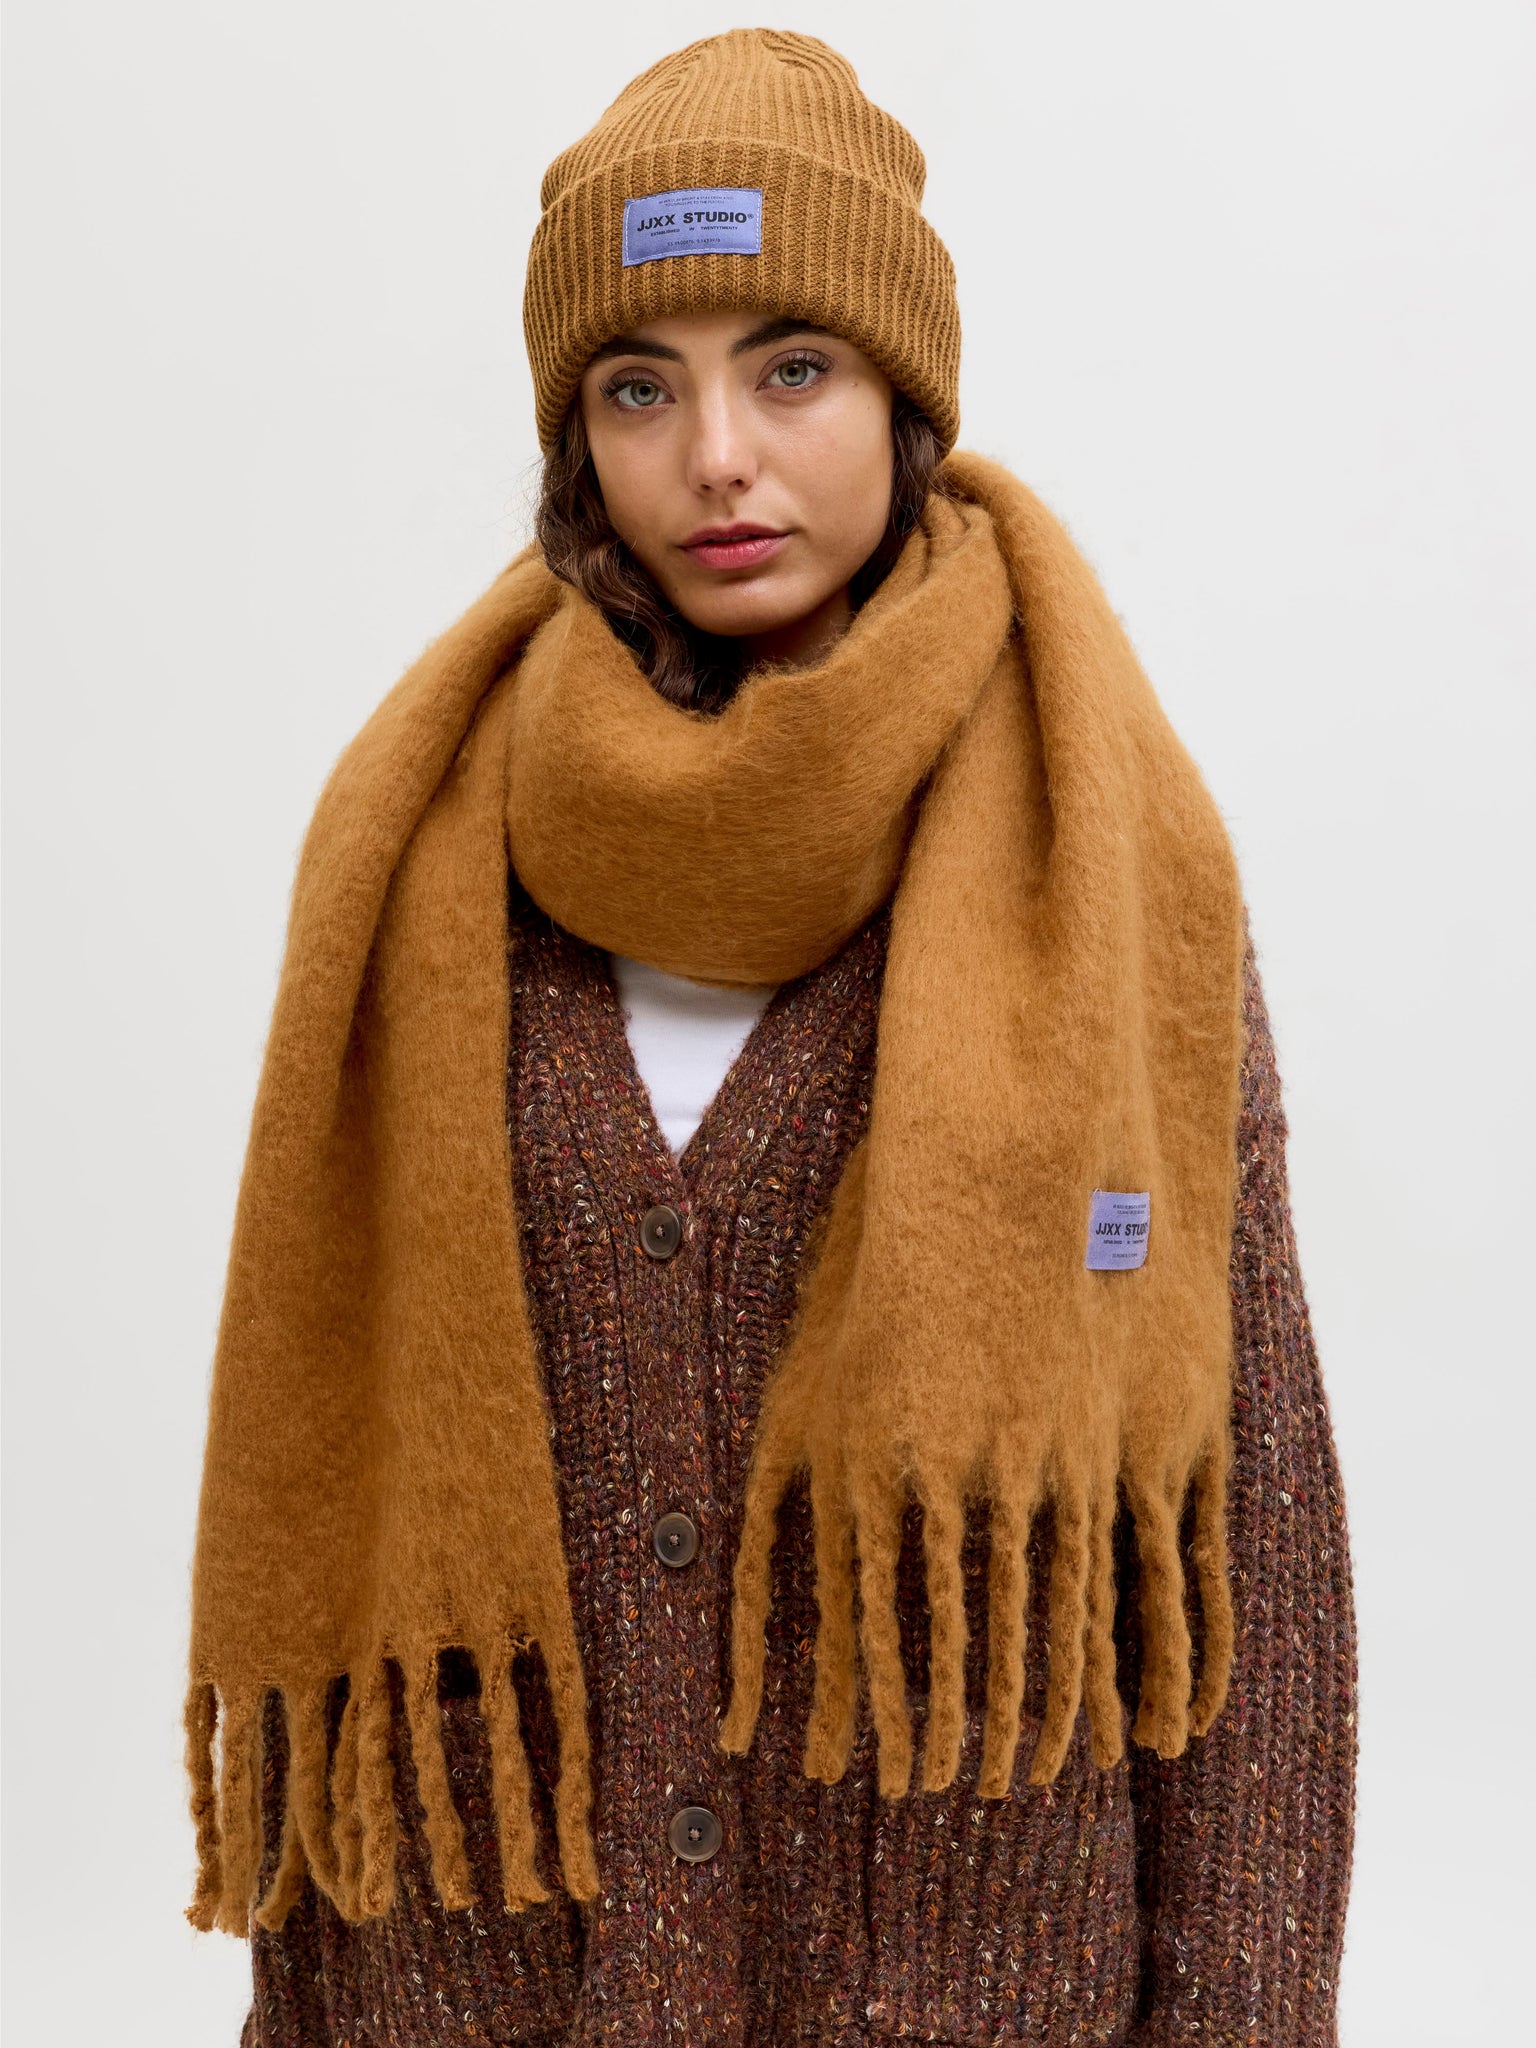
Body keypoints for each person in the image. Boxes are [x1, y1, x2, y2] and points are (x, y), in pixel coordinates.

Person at [183, 30, 1357, 2046]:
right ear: (580, 437)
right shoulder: (426, 853)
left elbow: (1242, 1540)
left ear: (904, 389)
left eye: (791, 368)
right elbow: (348, 1565)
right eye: (641, 388)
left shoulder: (1109, 863)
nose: (717, 457)